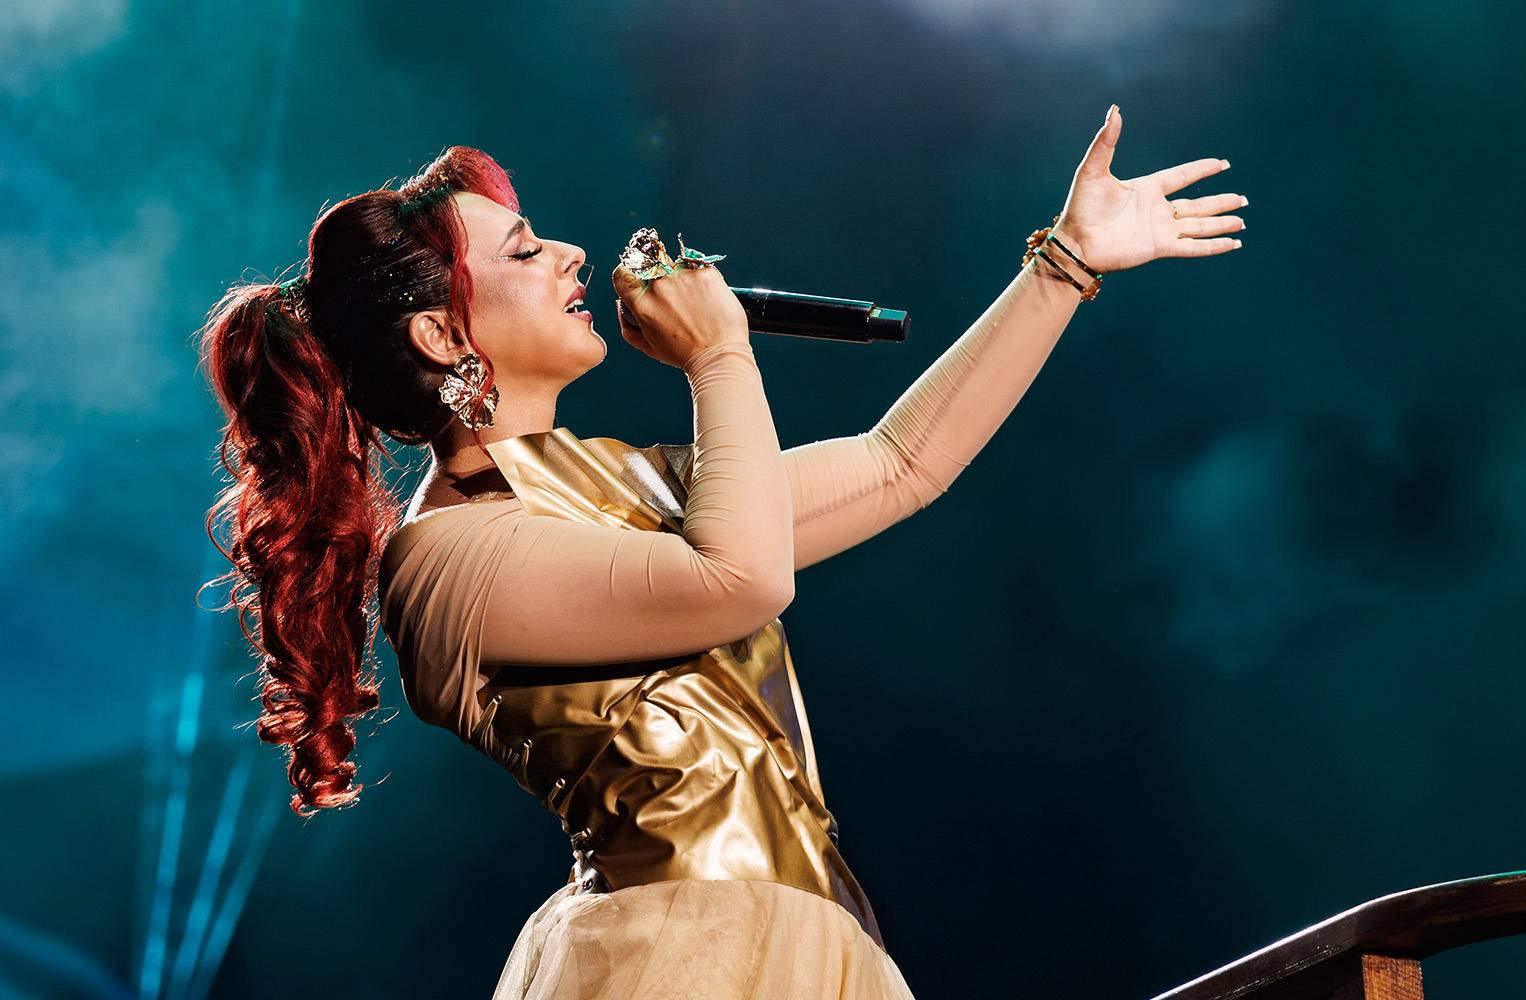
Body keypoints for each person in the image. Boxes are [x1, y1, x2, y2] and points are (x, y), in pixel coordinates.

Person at [203, 105, 1245, 999]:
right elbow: (742, 580)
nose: (571, 254)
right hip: (678, 957)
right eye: (523, 252)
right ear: (441, 337)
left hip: (815, 944)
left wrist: (1063, 263)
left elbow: (900, 464)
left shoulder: (626, 479)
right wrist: (716, 351)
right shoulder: (445, 563)